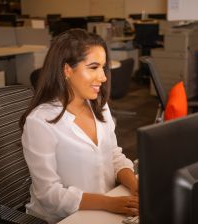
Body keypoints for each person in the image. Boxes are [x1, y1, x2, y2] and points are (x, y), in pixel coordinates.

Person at [19, 29, 138, 223]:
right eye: (93, 67)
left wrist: (134, 185)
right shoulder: (40, 122)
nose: (103, 77)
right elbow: (48, 194)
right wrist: (109, 203)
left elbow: (114, 155)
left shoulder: (99, 105)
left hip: (104, 208)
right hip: (64, 218)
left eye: (103, 67)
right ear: (67, 70)